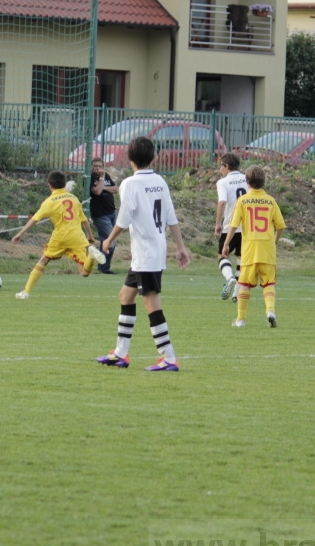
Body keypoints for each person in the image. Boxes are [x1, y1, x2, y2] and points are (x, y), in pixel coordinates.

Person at [96, 136, 190, 372]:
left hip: (146, 252)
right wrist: (180, 247)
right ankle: (120, 353)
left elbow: (124, 218)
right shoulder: (159, 181)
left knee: (150, 302)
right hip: (150, 251)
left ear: (129, 160)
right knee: (125, 297)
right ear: (153, 157)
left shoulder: (130, 183)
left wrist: (108, 240)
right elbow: (170, 217)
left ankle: (168, 357)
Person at [11, 170, 106, 299]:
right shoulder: (74, 198)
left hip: (60, 237)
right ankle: (92, 256)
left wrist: (20, 233)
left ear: (50, 185)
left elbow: (35, 219)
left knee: (43, 260)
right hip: (77, 237)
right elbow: (84, 220)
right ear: (65, 184)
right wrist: (90, 236)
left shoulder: (49, 201)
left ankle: (26, 292)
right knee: (84, 272)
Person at [220, 165, 286, 328]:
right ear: (264, 181)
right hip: (267, 250)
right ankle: (270, 311)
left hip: (249, 250)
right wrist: (274, 241)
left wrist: (226, 244)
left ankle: (241, 320)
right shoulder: (271, 201)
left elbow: (233, 225)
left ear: (247, 182)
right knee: (268, 283)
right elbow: (281, 226)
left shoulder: (242, 201)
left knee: (244, 284)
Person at [214, 152, 247, 302]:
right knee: (241, 259)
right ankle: (236, 294)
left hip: (231, 225)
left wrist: (218, 223)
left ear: (226, 166)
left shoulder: (223, 182)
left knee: (222, 255)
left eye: (221, 166)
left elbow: (222, 202)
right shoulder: (247, 178)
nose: (220, 169)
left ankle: (229, 278)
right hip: (247, 227)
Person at [89, 156, 118, 273]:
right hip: (100, 214)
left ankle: (103, 266)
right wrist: (101, 178)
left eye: (100, 166)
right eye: (95, 166)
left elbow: (115, 189)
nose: (98, 168)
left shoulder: (106, 176)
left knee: (106, 240)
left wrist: (104, 186)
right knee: (112, 239)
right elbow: (97, 191)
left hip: (111, 212)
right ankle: (103, 266)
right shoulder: (89, 178)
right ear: (91, 167)